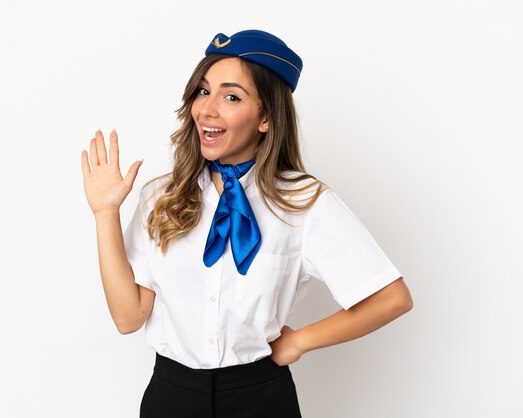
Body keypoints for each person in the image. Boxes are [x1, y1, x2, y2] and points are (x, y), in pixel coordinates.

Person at [81, 29, 413, 418]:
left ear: (266, 117)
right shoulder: (161, 197)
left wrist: (300, 341)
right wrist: (106, 214)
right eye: (203, 91)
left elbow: (391, 298)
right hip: (171, 398)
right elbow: (128, 317)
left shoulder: (303, 203)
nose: (207, 109)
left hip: (261, 399)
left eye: (231, 96)